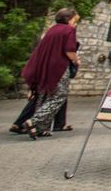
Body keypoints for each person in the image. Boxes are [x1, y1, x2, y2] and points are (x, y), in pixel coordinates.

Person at [18, 8, 80, 139]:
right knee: (59, 97)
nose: (75, 23)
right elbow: (69, 50)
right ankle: (34, 121)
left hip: (44, 66)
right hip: (58, 67)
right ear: (69, 19)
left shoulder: (52, 29)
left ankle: (41, 129)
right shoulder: (69, 30)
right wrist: (76, 60)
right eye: (74, 20)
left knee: (44, 95)